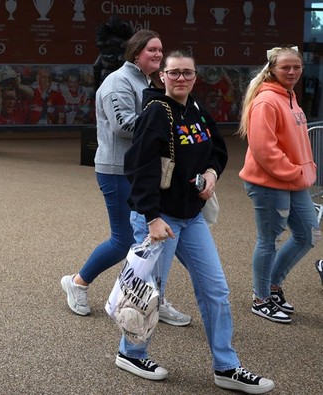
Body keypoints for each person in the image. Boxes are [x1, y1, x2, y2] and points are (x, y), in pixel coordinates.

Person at [118, 50, 274, 394]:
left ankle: (226, 366)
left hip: (191, 218)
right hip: (160, 219)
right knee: (147, 291)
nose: (180, 79)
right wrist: (152, 217)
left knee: (216, 290)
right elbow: (138, 168)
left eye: (187, 73)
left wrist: (212, 173)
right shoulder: (155, 113)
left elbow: (218, 148)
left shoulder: (197, 109)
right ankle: (131, 353)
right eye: (174, 73)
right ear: (163, 77)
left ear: (195, 76)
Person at [60, 30, 191, 327]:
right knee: (124, 240)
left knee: (153, 238)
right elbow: (123, 127)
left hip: (139, 172)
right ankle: (78, 283)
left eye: (160, 50)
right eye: (151, 50)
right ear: (136, 53)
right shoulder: (118, 82)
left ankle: (151, 297)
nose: (158, 55)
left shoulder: (146, 81)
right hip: (116, 171)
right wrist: (165, 120)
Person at [238, 46, 319, 324]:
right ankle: (261, 298)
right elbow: (264, 149)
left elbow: (297, 142)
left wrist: (306, 168)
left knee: (307, 234)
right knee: (269, 240)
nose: (293, 72)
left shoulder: (290, 97)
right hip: (270, 184)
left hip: (294, 181)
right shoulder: (267, 101)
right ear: (272, 69)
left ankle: (272, 286)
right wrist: (295, 171)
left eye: (297, 67)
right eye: (286, 67)